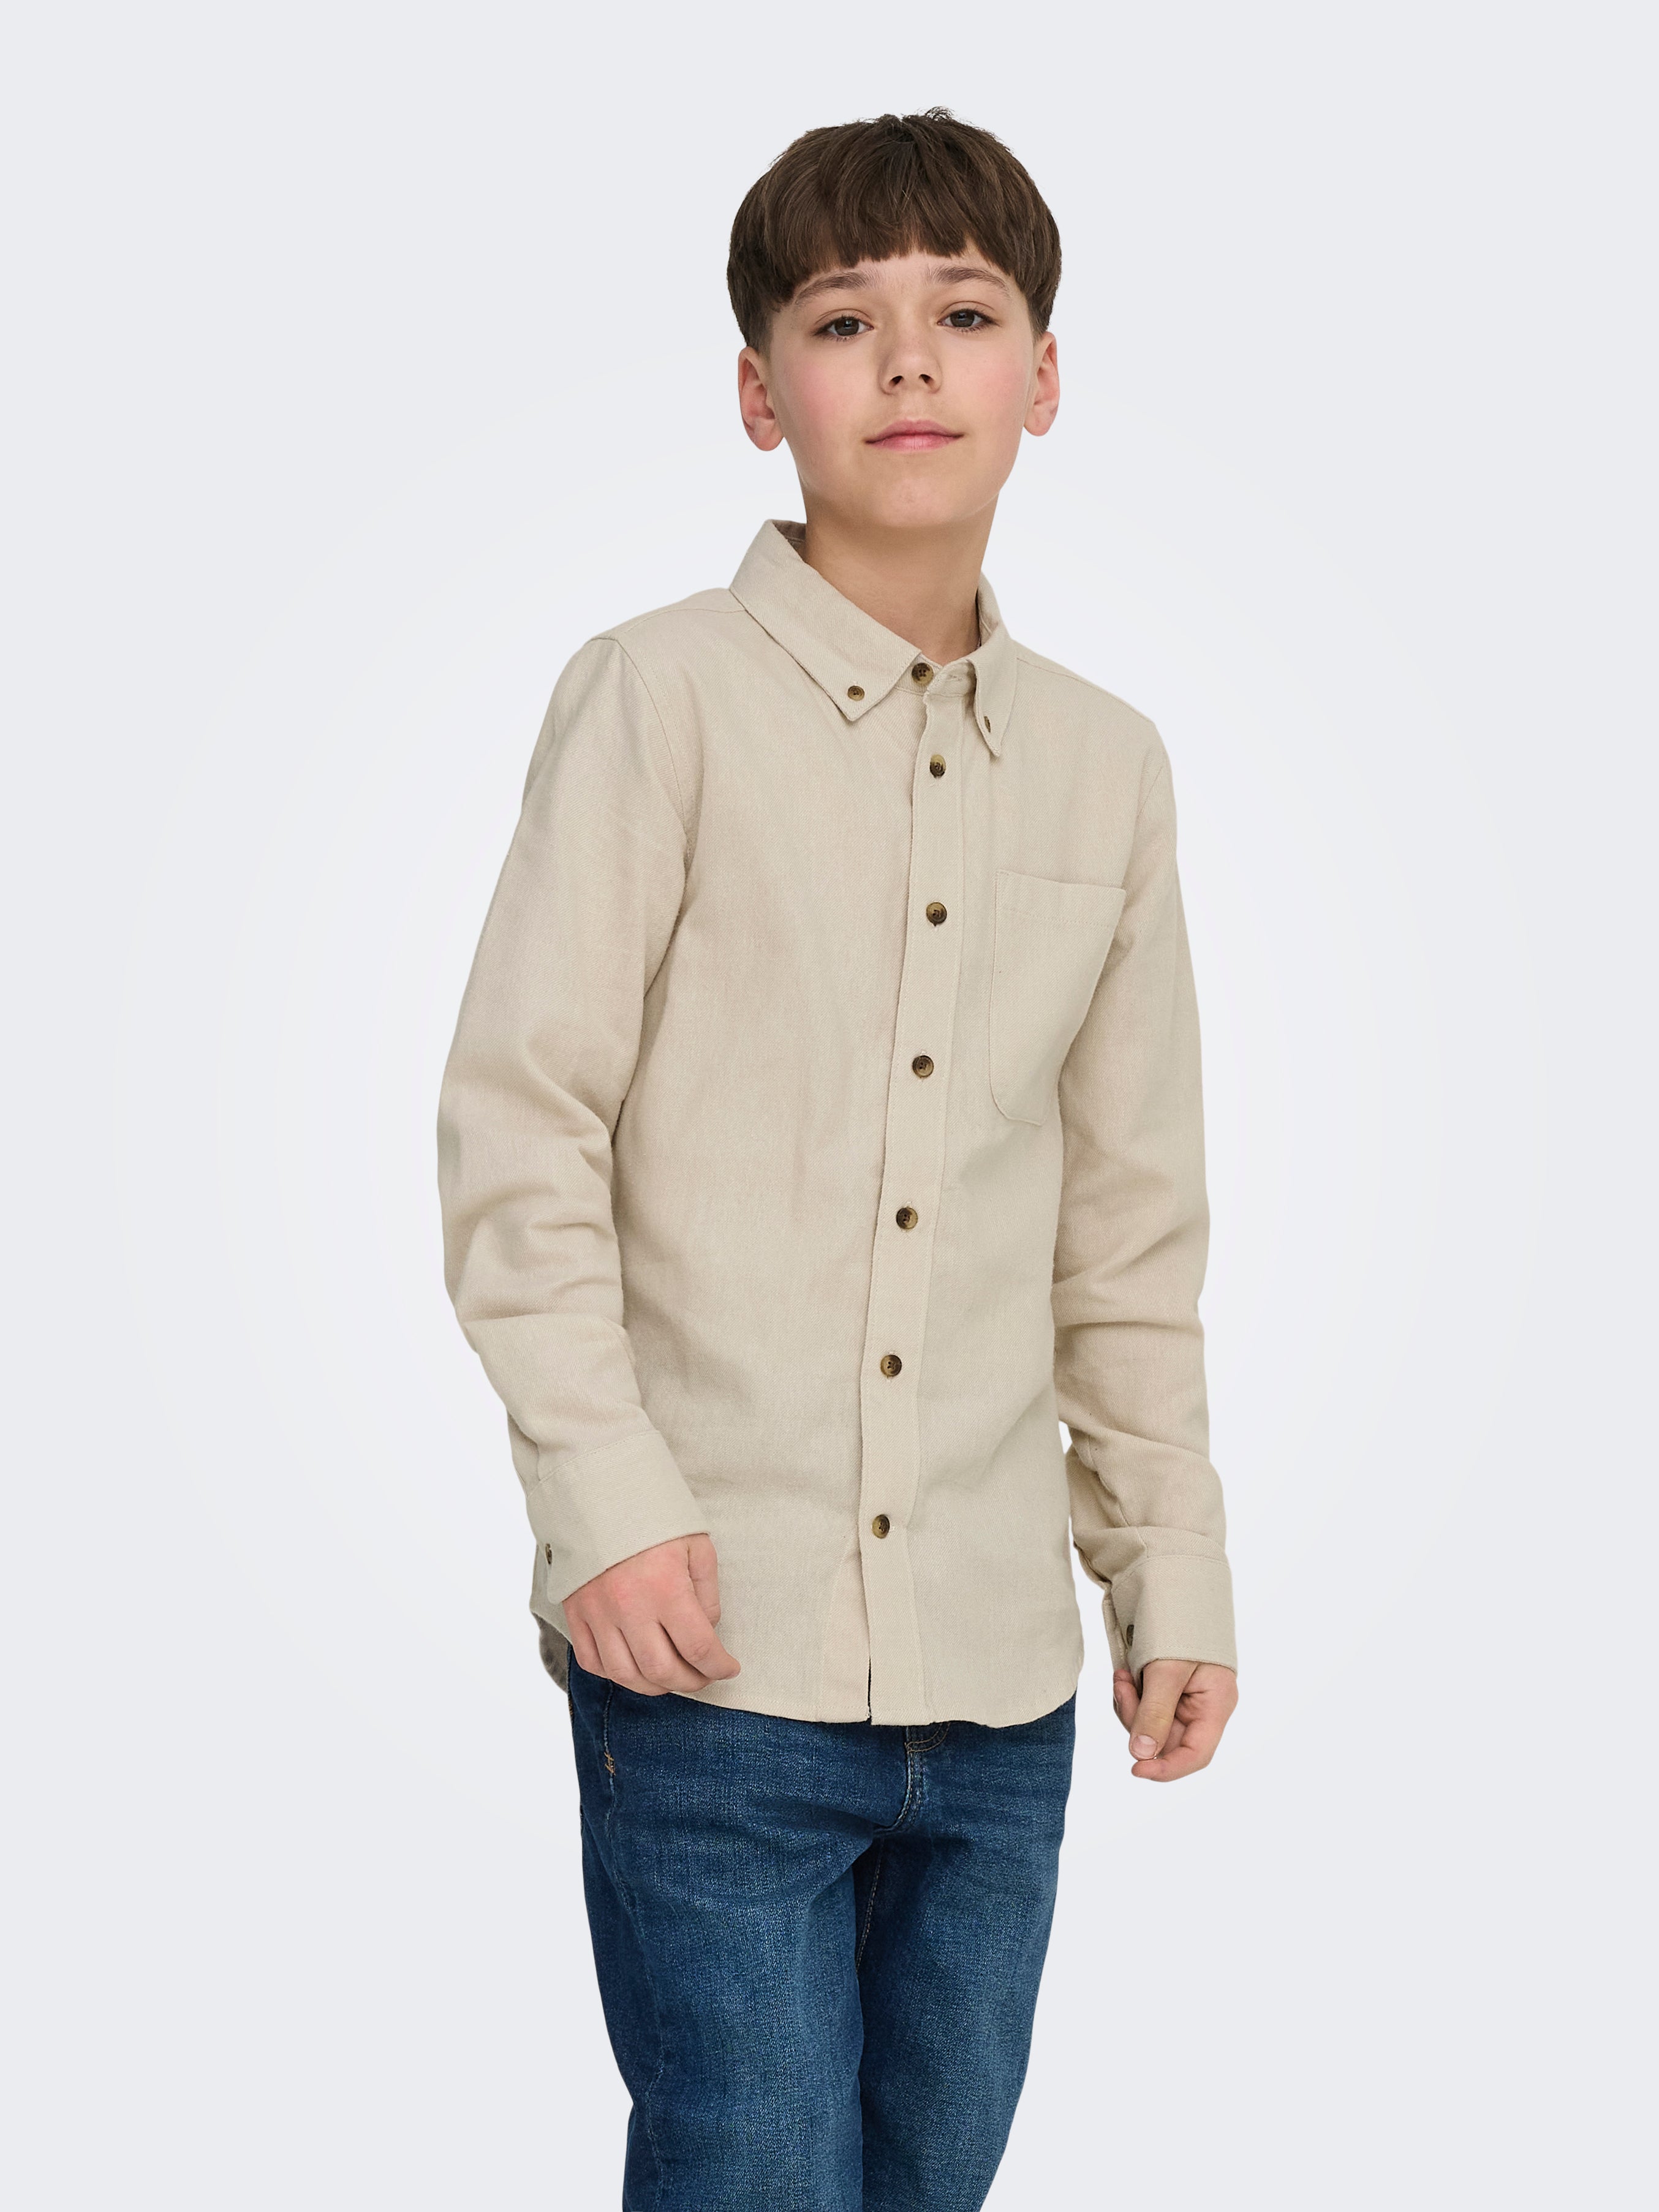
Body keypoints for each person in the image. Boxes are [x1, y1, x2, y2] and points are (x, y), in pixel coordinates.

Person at [437, 107, 1239, 2212]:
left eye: (962, 315)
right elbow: (522, 1126)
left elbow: (1126, 1226)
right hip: (711, 1655)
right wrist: (604, 1502)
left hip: (999, 1678)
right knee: (754, 2174)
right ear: (755, 389)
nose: (905, 362)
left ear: (1040, 378)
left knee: (930, 2184)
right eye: (839, 318)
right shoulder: (656, 701)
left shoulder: (1107, 768)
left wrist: (1169, 1567)